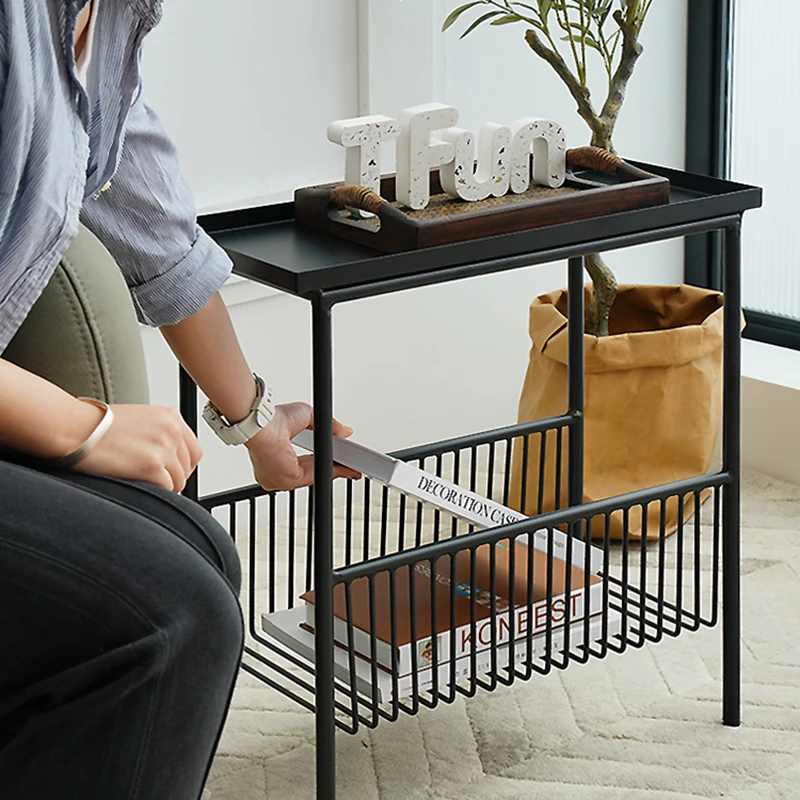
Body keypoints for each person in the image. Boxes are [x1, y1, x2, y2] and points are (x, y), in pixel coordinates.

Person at [0, 2, 357, 798]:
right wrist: (83, 429)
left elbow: (157, 235)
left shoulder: (108, 21)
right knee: (174, 615)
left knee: (202, 553)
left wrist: (258, 424)